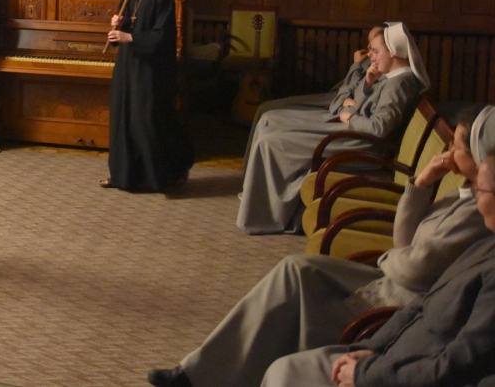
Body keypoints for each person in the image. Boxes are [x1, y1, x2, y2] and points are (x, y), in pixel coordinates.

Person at [147, 105, 493, 387]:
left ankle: (233, 376)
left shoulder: (479, 213)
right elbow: (405, 242)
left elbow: (416, 269)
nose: (448, 153)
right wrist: (421, 184)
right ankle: (195, 373)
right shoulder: (463, 193)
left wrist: (395, 257)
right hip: (391, 277)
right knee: (295, 269)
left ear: (481, 159)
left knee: (299, 306)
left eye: (456, 148)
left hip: (396, 297)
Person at [257, 149, 495, 387]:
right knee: (285, 365)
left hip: (398, 374)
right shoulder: (486, 245)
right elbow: (421, 303)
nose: (474, 196)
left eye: (480, 190)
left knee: (286, 374)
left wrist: (364, 375)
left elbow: (454, 368)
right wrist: (372, 348)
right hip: (387, 358)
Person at [238, 22, 427, 234]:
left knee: (271, 142)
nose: (371, 56)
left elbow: (379, 127)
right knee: (270, 131)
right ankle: (260, 204)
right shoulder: (391, 76)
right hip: (354, 133)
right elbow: (364, 106)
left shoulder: (400, 83)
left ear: (392, 51)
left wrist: (351, 117)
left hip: (362, 143)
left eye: (375, 51)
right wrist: (366, 86)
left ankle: (266, 216)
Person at [100, 0, 193, 192]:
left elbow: (164, 35)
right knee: (123, 119)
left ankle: (162, 177)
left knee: (147, 121)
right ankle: (124, 176)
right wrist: (117, 24)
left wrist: (129, 37)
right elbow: (127, 24)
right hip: (128, 64)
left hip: (151, 69)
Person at [242, 27, 383, 166]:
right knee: (266, 115)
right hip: (339, 105)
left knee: (268, 132)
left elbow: (364, 109)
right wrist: (347, 97)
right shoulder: (371, 64)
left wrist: (348, 104)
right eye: (369, 43)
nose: (368, 49)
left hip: (345, 122)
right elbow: (349, 92)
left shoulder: (384, 74)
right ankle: (249, 169)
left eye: (374, 47)